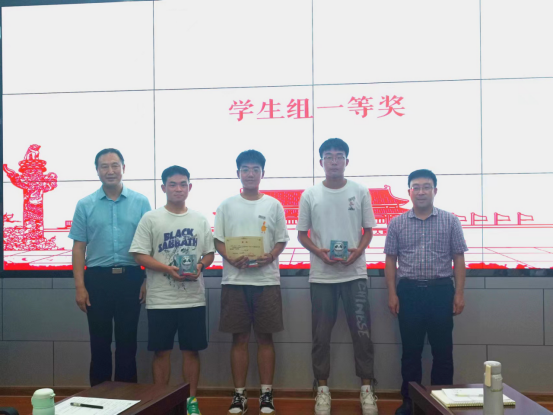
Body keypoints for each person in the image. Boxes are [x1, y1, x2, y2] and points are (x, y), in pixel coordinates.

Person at [297, 138, 378, 415]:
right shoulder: (310, 195)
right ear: (321, 162)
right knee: (320, 336)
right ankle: (322, 389)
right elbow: (302, 235)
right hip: (322, 276)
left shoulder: (360, 191)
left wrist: (358, 252)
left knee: (363, 334)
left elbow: (369, 230)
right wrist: (319, 253)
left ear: (347, 161)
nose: (334, 161)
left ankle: (366, 389)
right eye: (329, 156)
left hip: (355, 275)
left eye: (339, 156)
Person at [129, 165, 214, 415]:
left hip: (193, 299)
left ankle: (191, 402)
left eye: (183, 184)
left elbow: (209, 254)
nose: (178, 188)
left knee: (191, 351)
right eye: (173, 184)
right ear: (163, 187)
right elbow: (139, 254)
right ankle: (161, 402)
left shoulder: (199, 219)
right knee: (161, 352)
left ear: (190, 187)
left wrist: (200, 265)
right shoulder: (151, 218)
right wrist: (167, 269)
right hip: (161, 299)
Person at [384, 169, 468, 415]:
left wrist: (459, 293)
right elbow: (390, 260)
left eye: (426, 187)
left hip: (440, 291)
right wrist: (392, 293)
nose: (421, 191)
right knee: (410, 353)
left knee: (443, 352)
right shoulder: (397, 222)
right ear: (409, 192)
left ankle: (442, 403)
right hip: (408, 292)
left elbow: (458, 258)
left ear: (435, 190)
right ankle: (410, 403)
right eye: (416, 187)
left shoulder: (450, 220)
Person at [214, 150, 289, 415]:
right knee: (240, 338)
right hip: (234, 280)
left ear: (262, 173)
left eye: (255, 169)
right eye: (245, 169)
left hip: (266, 280)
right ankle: (240, 395)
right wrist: (230, 258)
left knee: (266, 337)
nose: (250, 174)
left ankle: (266, 395)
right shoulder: (226, 205)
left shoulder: (274, 205)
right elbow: (218, 240)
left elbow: (281, 239)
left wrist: (271, 255)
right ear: (238, 173)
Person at [69, 148, 151, 386]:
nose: (110, 170)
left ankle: (127, 397)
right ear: (97, 171)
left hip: (131, 278)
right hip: (97, 280)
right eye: (104, 166)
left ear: (123, 168)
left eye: (115, 165)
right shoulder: (85, 204)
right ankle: (99, 397)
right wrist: (80, 287)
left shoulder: (140, 201)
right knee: (99, 343)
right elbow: (78, 248)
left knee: (128, 343)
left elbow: (150, 244)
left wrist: (147, 279)